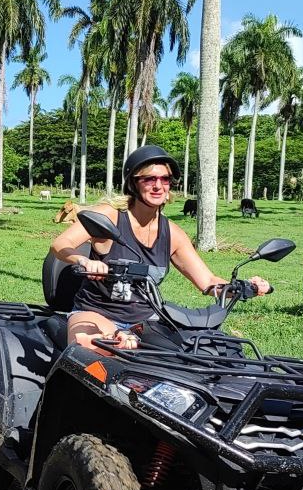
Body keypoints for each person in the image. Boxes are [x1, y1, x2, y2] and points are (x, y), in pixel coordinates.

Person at [50, 145, 271, 351]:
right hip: (95, 314)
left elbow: (207, 282)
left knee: (196, 358)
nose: (158, 186)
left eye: (165, 179)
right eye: (149, 179)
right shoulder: (110, 217)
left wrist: (244, 287)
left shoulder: (173, 234)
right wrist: (84, 261)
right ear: (133, 183)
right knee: (91, 350)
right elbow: (60, 244)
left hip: (148, 321)